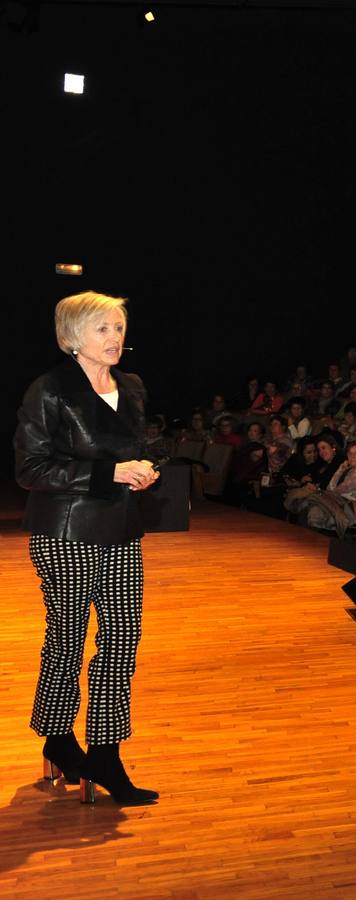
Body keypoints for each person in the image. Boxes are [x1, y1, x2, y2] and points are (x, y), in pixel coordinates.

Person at [14, 291, 161, 805]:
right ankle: (57, 736)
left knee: (122, 642)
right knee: (69, 640)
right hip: (66, 532)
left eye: (119, 327)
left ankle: (105, 751)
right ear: (72, 337)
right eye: (102, 329)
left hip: (121, 528)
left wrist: (141, 472)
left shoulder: (133, 386)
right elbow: (30, 470)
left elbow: (129, 451)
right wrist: (110, 473)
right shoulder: (48, 390)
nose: (115, 338)